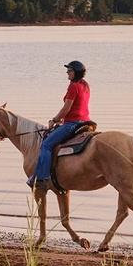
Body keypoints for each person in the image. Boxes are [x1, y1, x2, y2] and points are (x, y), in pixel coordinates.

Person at [30, 60, 93, 188]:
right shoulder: (85, 85)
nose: (67, 73)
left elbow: (66, 109)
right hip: (86, 121)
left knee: (46, 144)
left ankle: (42, 179)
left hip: (72, 123)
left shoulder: (73, 86)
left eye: (70, 71)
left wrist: (54, 120)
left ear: (76, 73)